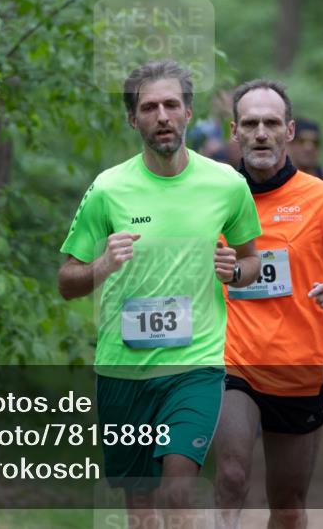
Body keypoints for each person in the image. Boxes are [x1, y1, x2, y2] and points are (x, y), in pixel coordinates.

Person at [57, 60, 262, 528]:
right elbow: (67, 281)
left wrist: (236, 272)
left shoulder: (227, 185)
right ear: (134, 120)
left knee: (178, 489)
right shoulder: (108, 190)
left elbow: (252, 261)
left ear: (189, 112)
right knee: (141, 510)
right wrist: (102, 265)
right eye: (150, 108)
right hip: (122, 369)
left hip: (195, 365)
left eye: (172, 104)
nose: (163, 116)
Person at [214, 80, 323, 529]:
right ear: (235, 132)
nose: (261, 133)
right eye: (251, 124)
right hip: (231, 363)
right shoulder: (213, 198)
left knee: (286, 503)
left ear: (289, 130)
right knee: (230, 475)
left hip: (298, 368)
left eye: (271, 123)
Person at [187, 89, 240, 166]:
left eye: (227, 101)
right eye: (220, 100)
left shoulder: (233, 124)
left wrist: (221, 145)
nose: (223, 105)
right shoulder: (201, 127)